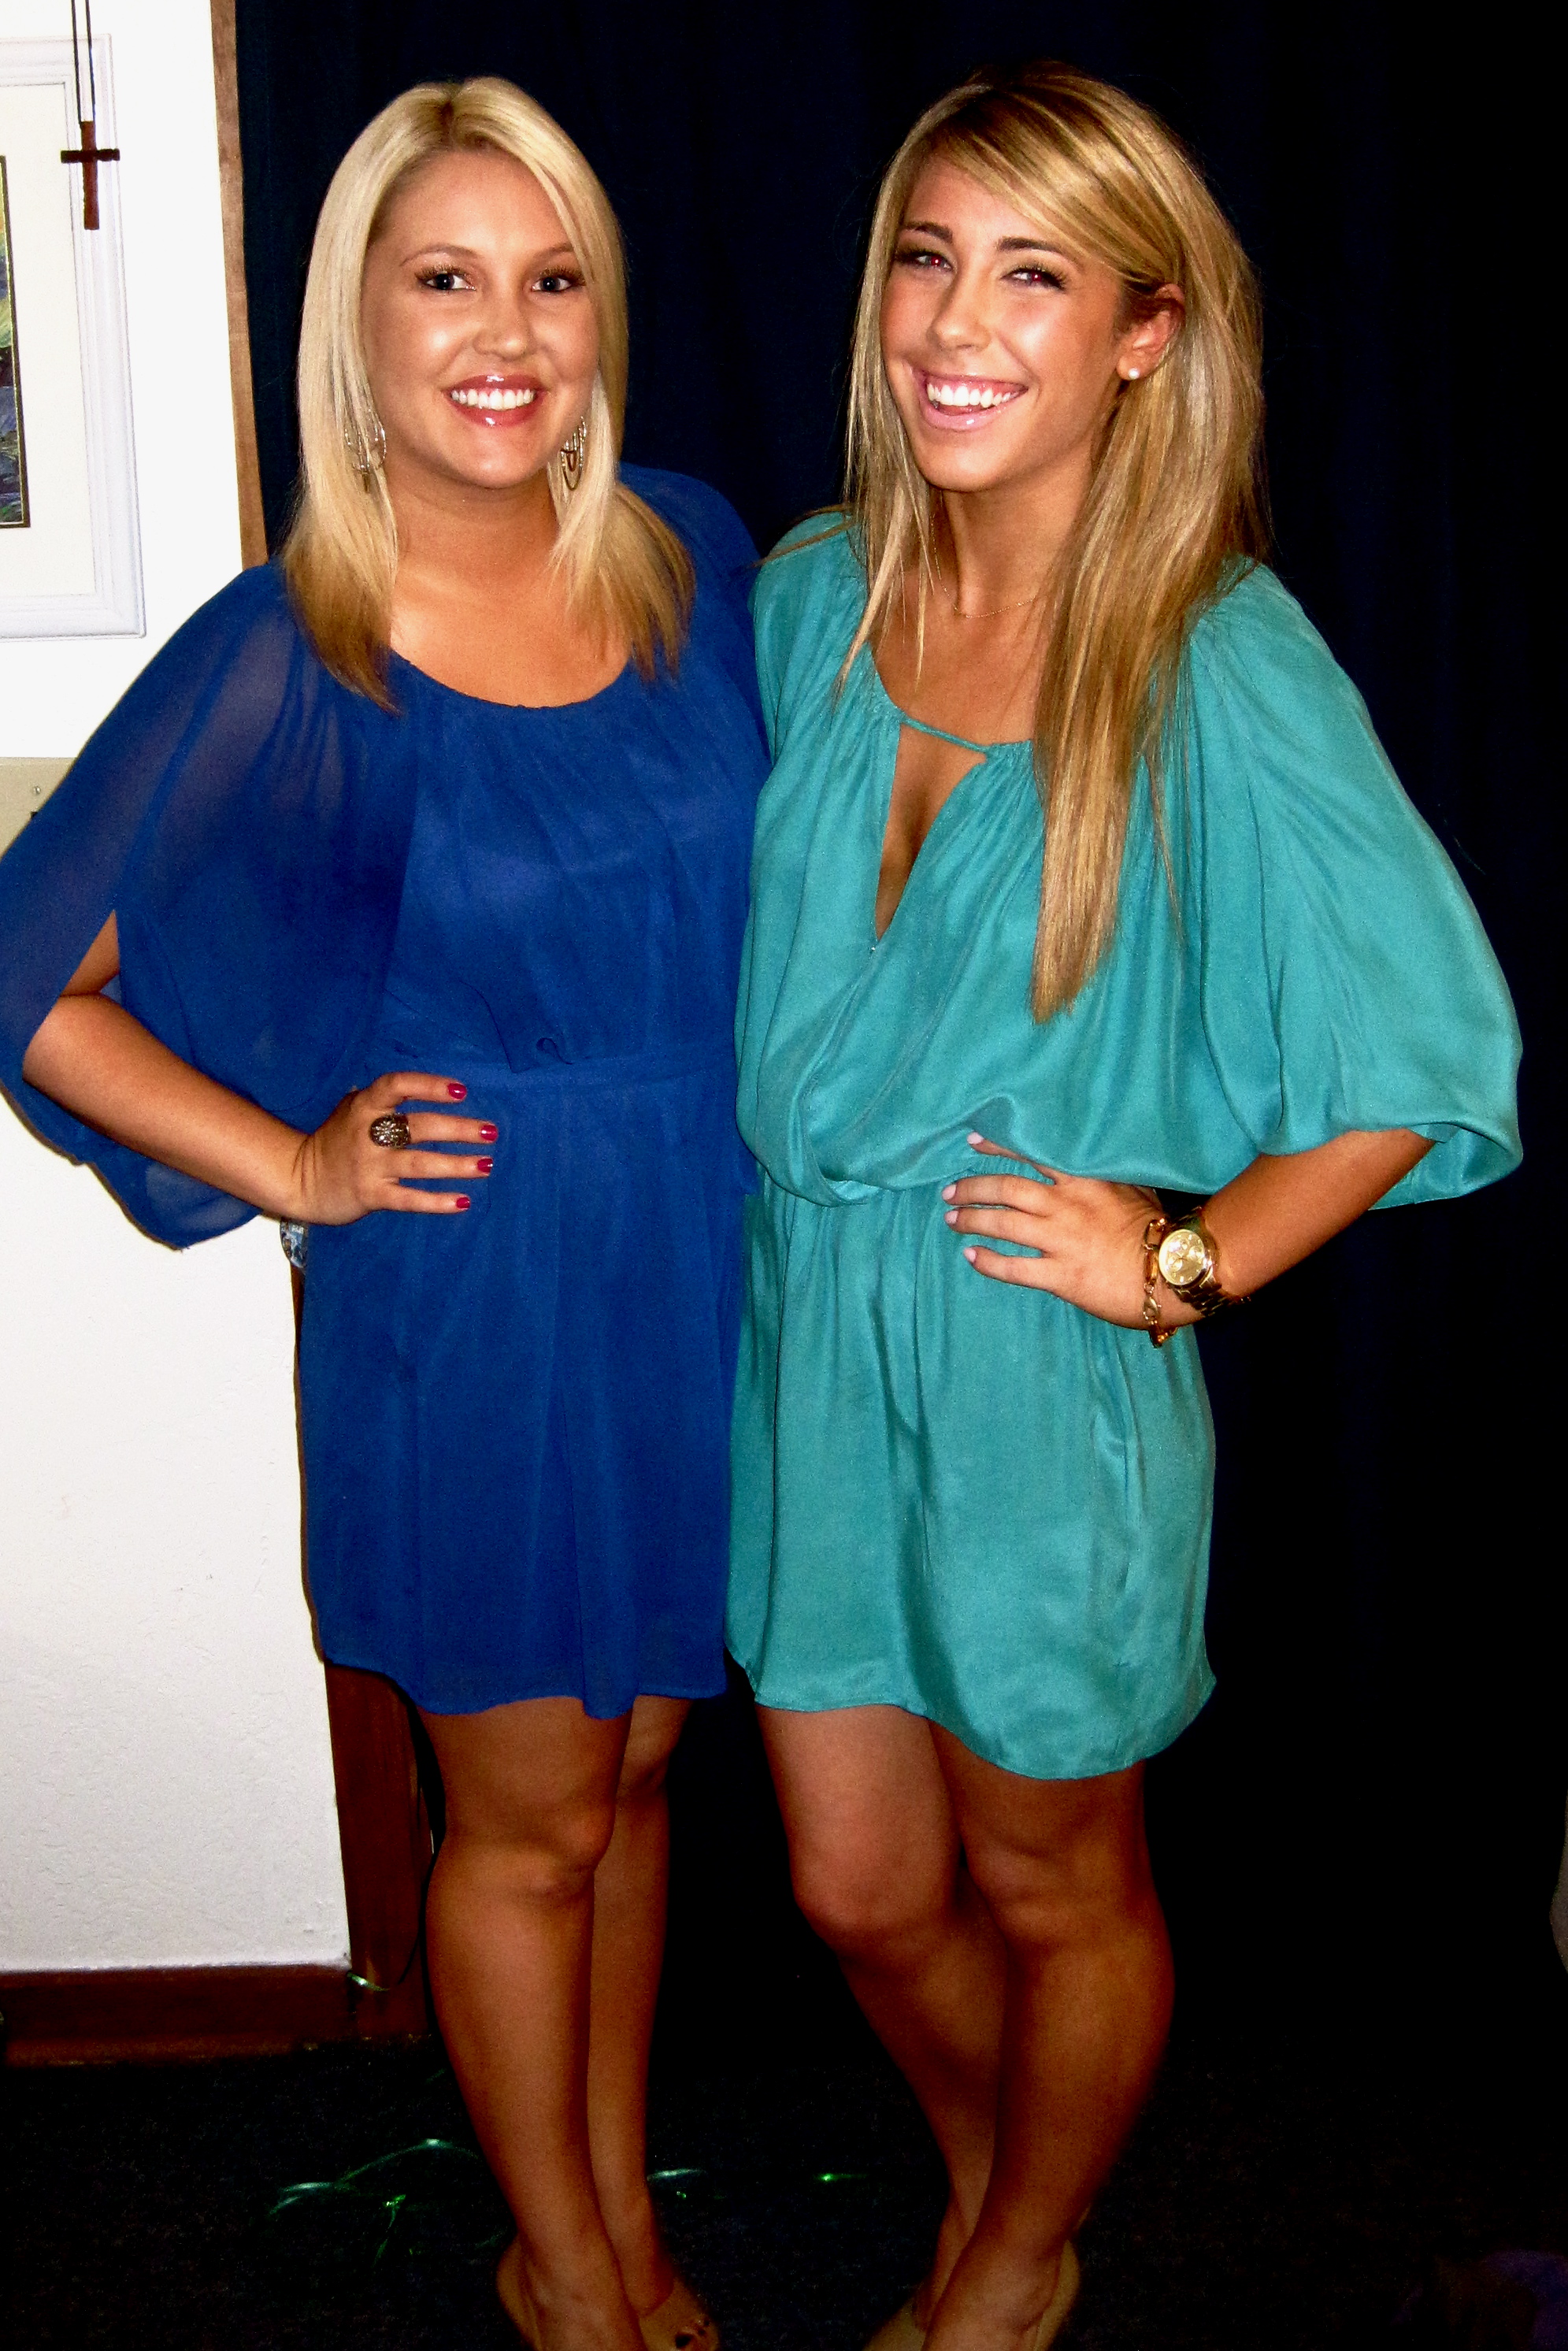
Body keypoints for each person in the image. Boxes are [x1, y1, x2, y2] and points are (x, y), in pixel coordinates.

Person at [727, 61, 1520, 2351]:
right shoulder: (806, 599)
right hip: (809, 1322)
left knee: (1052, 1878)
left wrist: (1185, 1258)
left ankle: (1006, 2271)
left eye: (1035, 276)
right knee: (857, 1887)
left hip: (1033, 1356)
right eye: (926, 258)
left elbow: (1426, 1051)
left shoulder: (1208, 645)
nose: (956, 325)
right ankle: (1018, 2183)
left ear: (1146, 335)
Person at [0, 79, 765, 2351]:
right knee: (526, 1821)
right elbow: (37, 973)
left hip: (702, 1254)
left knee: (638, 1775)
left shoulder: (693, 552)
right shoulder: (298, 643)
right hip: (484, 1293)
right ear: (357, 318)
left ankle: (607, 2218)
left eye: (553, 279)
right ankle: (564, 2275)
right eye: (447, 278)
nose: (507, 335)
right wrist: (297, 1162)